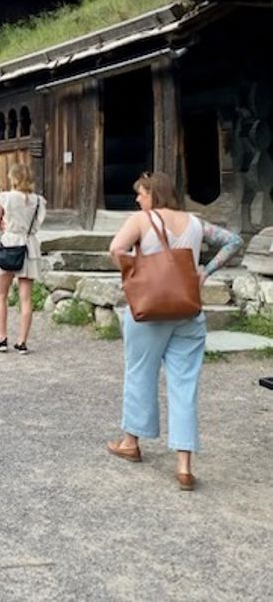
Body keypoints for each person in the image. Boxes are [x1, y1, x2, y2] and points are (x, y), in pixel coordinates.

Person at [107, 171, 242, 491]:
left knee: (140, 372)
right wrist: (203, 272)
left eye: (141, 193)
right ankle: (184, 465)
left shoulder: (142, 221)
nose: (138, 199)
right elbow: (234, 241)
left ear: (155, 194)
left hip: (149, 311)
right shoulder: (195, 223)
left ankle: (131, 442)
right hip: (187, 310)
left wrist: (134, 275)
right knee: (184, 384)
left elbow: (116, 249)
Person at [0, 163, 47, 354]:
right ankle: (22, 342)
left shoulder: (5, 198)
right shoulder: (38, 201)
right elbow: (37, 224)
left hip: (10, 243)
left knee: (1, 294)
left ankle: (2, 337)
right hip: (29, 246)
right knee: (26, 298)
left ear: (13, 178)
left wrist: (5, 223)